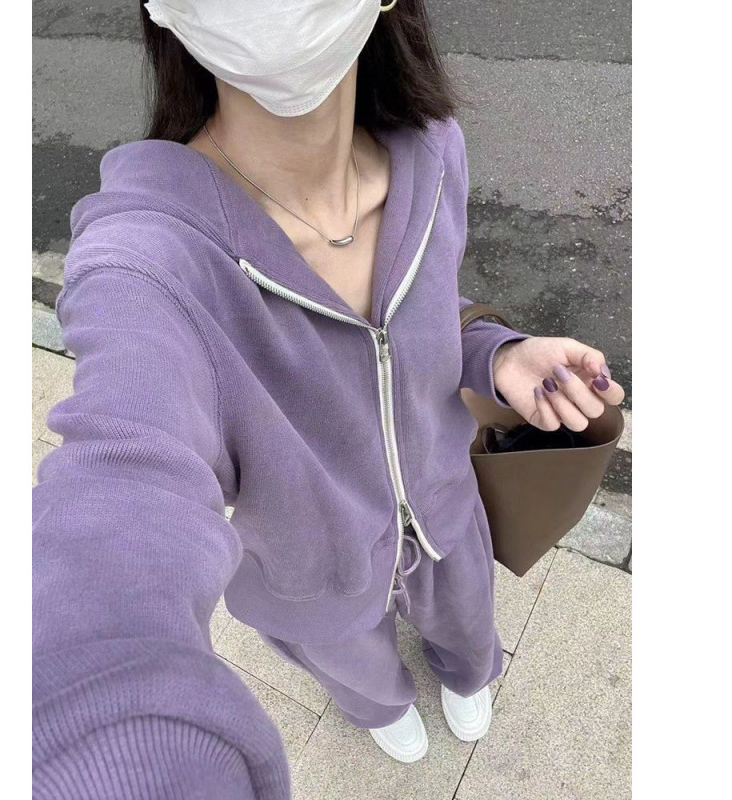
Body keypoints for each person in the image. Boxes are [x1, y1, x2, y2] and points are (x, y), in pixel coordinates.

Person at [32, 1, 625, 797]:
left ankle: (465, 670)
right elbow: (123, 482)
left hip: (448, 513)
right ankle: (379, 706)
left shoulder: (432, 151)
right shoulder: (149, 263)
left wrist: (498, 353)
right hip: (305, 577)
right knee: (359, 673)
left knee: (467, 629)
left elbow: (406, 328)